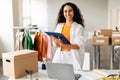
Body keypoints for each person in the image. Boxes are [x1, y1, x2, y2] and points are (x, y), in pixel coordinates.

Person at [51, 2, 86, 71]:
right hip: (60, 56)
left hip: (72, 57)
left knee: (72, 76)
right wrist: (55, 42)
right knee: (58, 75)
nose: (68, 13)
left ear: (74, 12)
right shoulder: (59, 26)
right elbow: (57, 45)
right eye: (65, 11)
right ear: (63, 13)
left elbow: (78, 46)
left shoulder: (78, 27)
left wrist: (63, 44)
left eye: (70, 11)